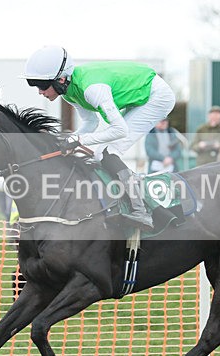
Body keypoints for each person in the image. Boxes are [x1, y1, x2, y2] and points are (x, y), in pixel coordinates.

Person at [22, 45, 176, 230]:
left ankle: (141, 210)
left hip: (157, 96)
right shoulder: (68, 92)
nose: (40, 91)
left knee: (108, 151)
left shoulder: (92, 89)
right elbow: (91, 124)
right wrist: (67, 140)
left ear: (61, 79)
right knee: (100, 153)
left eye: (42, 86)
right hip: (140, 94)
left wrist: (78, 141)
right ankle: (129, 203)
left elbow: (120, 130)